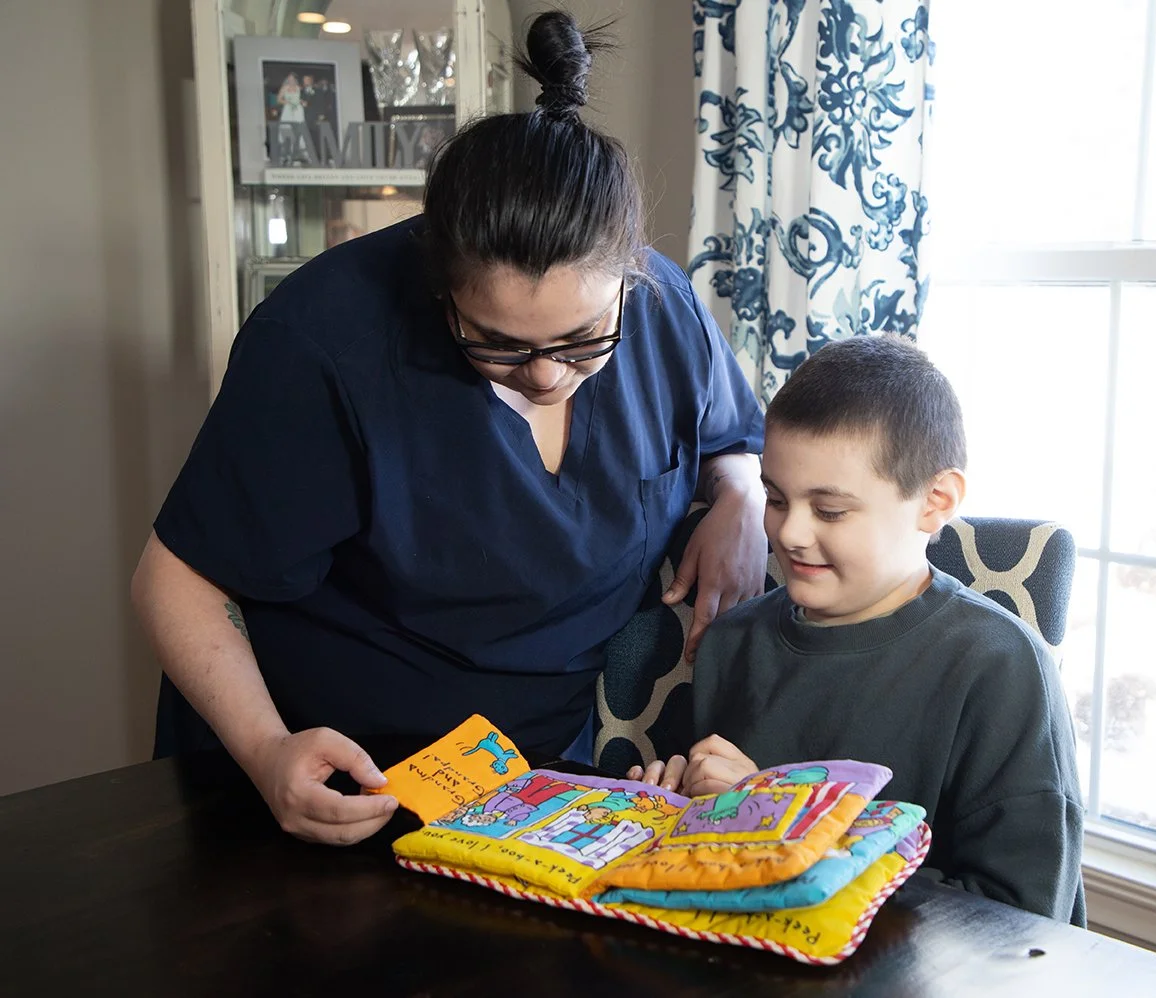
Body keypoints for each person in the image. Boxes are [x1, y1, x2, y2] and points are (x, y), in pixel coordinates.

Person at [131, 12, 767, 847]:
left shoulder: (666, 309)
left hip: (533, 776)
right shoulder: (323, 342)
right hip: (330, 763)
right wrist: (268, 750)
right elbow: (173, 580)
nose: (544, 375)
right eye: (497, 345)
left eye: (583, 344)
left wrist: (742, 498)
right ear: (440, 288)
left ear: (629, 279)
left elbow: (731, 436)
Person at [630, 335, 1087, 925]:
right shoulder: (731, 641)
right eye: (775, 498)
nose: (790, 533)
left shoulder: (1000, 668)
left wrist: (779, 826)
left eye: (830, 511)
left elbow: (1018, 923)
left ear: (935, 501)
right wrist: (676, 809)